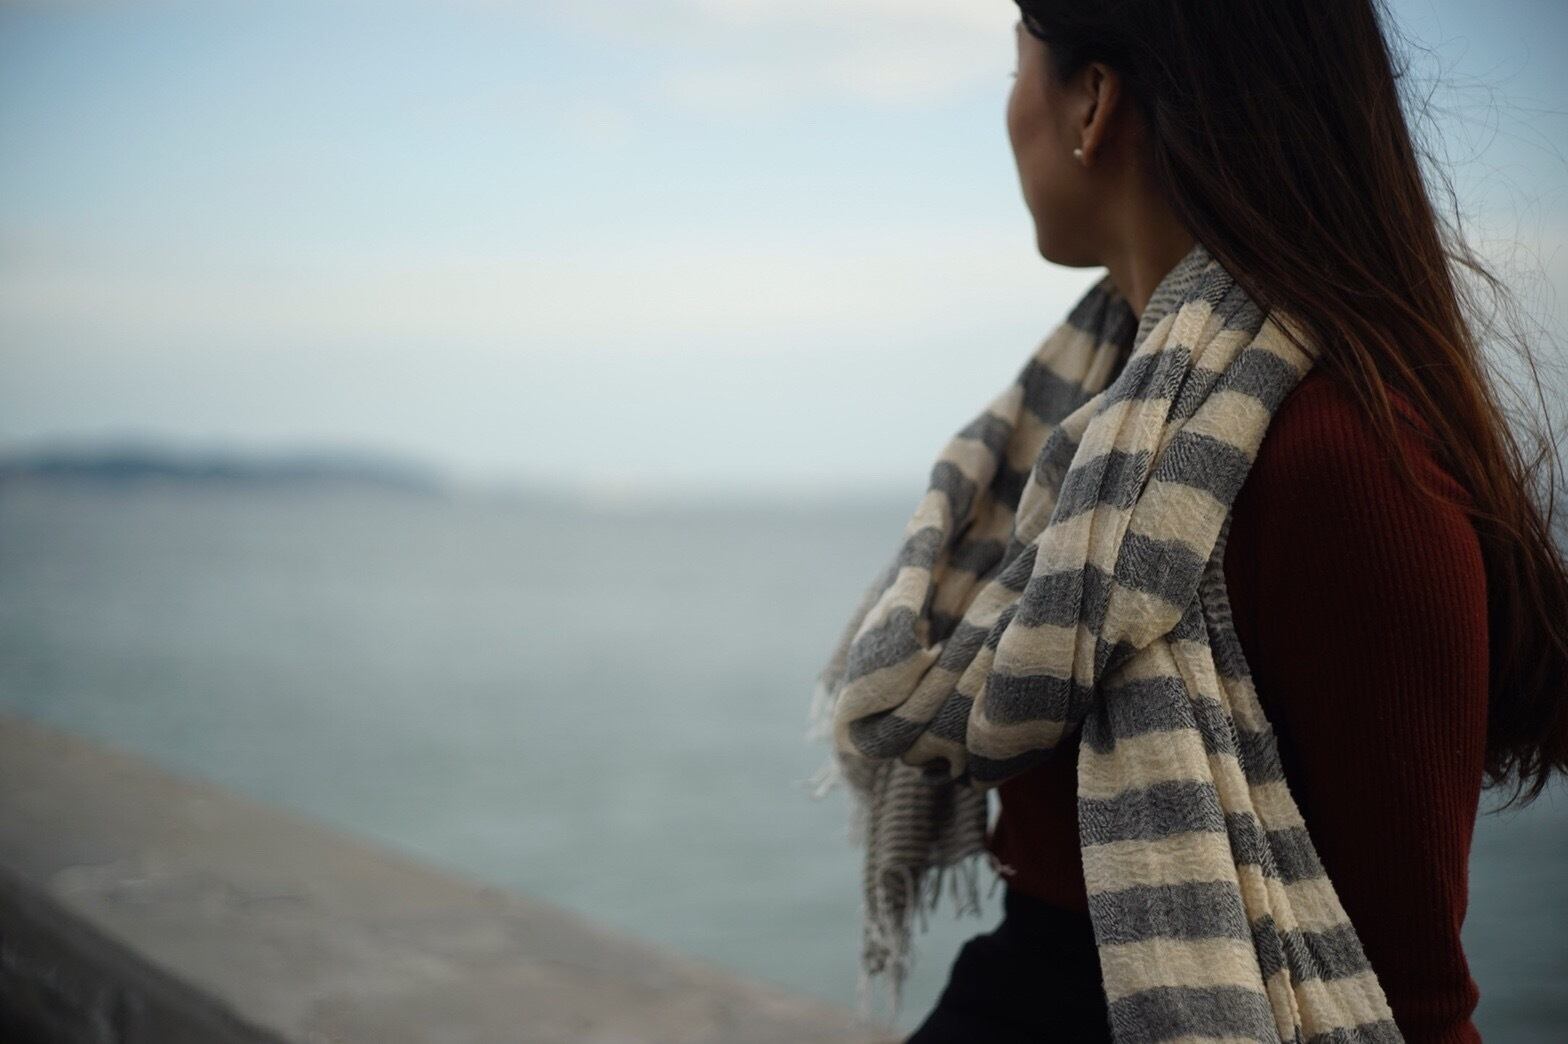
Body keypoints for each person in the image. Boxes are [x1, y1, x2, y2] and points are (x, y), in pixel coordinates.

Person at [896, 2, 1568, 1041]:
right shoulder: (1102, 403)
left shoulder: (1342, 459)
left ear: (1092, 102)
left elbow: (1407, 1003)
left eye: (1013, 68)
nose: (1007, 110)